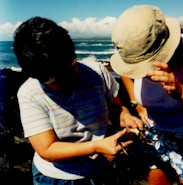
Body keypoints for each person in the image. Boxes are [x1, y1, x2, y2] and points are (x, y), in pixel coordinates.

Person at [13, 17, 143, 185]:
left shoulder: (97, 72)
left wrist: (125, 116)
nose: (70, 79)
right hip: (56, 177)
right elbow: (47, 148)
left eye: (71, 67)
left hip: (100, 169)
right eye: (57, 81)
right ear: (35, 76)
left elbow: (116, 108)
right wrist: (96, 147)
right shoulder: (30, 94)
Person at [110, 5, 183, 185]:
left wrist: (181, 92)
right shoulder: (132, 51)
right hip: (157, 135)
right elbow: (124, 72)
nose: (141, 70)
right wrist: (138, 105)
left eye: (144, 62)